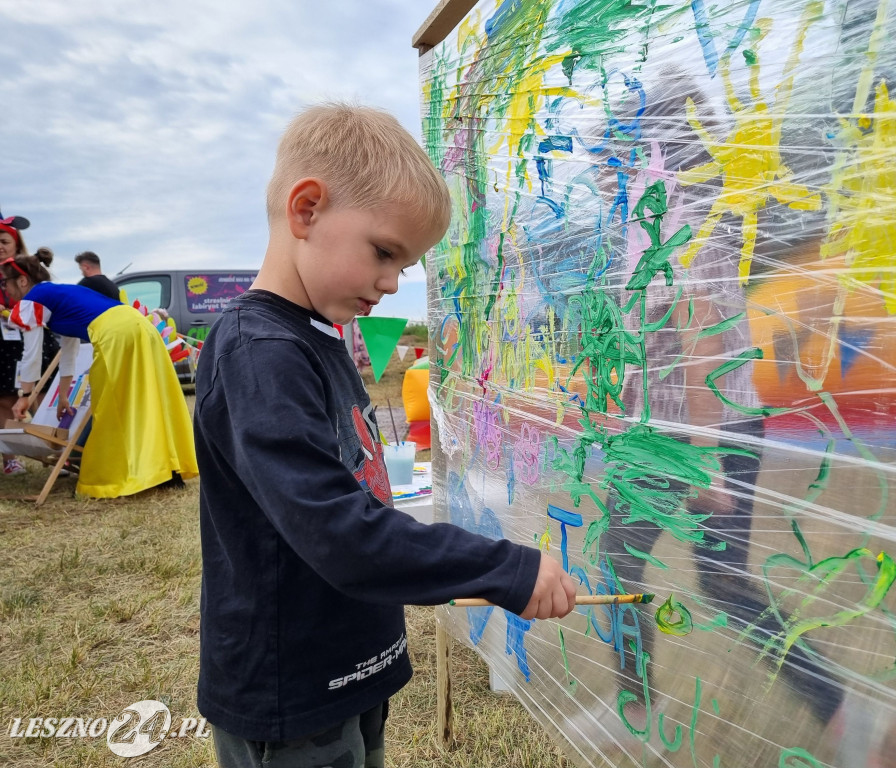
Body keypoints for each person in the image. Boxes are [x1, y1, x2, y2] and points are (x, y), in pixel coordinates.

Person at [192, 102, 576, 768]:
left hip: (350, 668)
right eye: (384, 252)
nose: (393, 283)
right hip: (291, 691)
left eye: (407, 264)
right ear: (306, 210)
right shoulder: (258, 353)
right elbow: (340, 534)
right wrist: (502, 569)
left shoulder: (316, 336)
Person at [0, 250, 198, 497]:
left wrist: (25, 395)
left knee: (112, 407)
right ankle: (168, 470)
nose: (3, 288)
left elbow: (32, 354)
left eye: (4, 282)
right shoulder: (58, 294)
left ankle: (124, 476)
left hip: (116, 333)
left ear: (21, 281)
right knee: (149, 400)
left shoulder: (34, 299)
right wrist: (64, 396)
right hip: (140, 326)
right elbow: (69, 352)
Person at [0, 211, 60, 476]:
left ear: (15, 243)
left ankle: (60, 454)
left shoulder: (27, 268)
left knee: (44, 396)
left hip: (34, 339)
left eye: (3, 241)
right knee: (5, 400)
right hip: (3, 347)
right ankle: (10, 458)